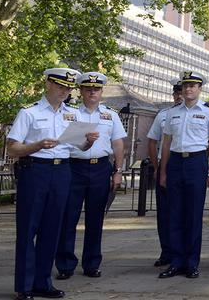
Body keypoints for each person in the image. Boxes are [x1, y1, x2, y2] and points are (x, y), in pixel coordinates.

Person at [7, 67, 98, 300]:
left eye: (68, 88)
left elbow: (79, 146)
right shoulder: (29, 112)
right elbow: (13, 148)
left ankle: (43, 282)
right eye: (60, 86)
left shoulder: (72, 114)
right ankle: (24, 286)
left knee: (52, 229)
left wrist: (88, 142)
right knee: (28, 229)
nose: (65, 91)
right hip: (35, 170)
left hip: (63, 170)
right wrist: (36, 146)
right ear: (47, 84)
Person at [55, 72, 127, 280]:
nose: (92, 92)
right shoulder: (70, 113)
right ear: (81, 91)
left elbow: (118, 143)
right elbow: (63, 141)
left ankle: (92, 263)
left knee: (96, 219)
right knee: (68, 218)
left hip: (100, 168)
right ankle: (65, 264)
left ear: (102, 91)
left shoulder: (110, 115)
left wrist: (118, 171)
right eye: (88, 89)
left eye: (96, 89)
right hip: (74, 168)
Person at [158, 71, 209, 279]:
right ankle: (176, 262)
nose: (188, 89)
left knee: (193, 215)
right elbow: (166, 143)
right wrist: (164, 171)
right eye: (185, 85)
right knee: (174, 214)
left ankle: (192, 262)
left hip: (196, 162)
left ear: (199, 88)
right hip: (176, 162)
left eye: (192, 86)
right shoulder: (172, 113)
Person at [147, 79, 183, 267]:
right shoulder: (163, 115)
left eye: (181, 92)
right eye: (176, 93)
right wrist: (156, 166)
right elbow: (152, 141)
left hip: (186, 165)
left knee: (184, 212)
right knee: (165, 213)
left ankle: (183, 252)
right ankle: (167, 251)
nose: (179, 96)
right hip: (165, 165)